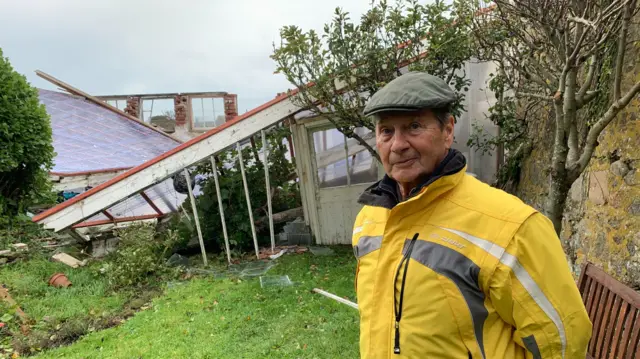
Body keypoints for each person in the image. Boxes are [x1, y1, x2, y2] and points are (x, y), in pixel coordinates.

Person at [352, 71, 592, 359]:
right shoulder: (371, 217)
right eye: (386, 131)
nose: (398, 144)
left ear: (448, 130)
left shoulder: (511, 226)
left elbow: (562, 340)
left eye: (414, 126)